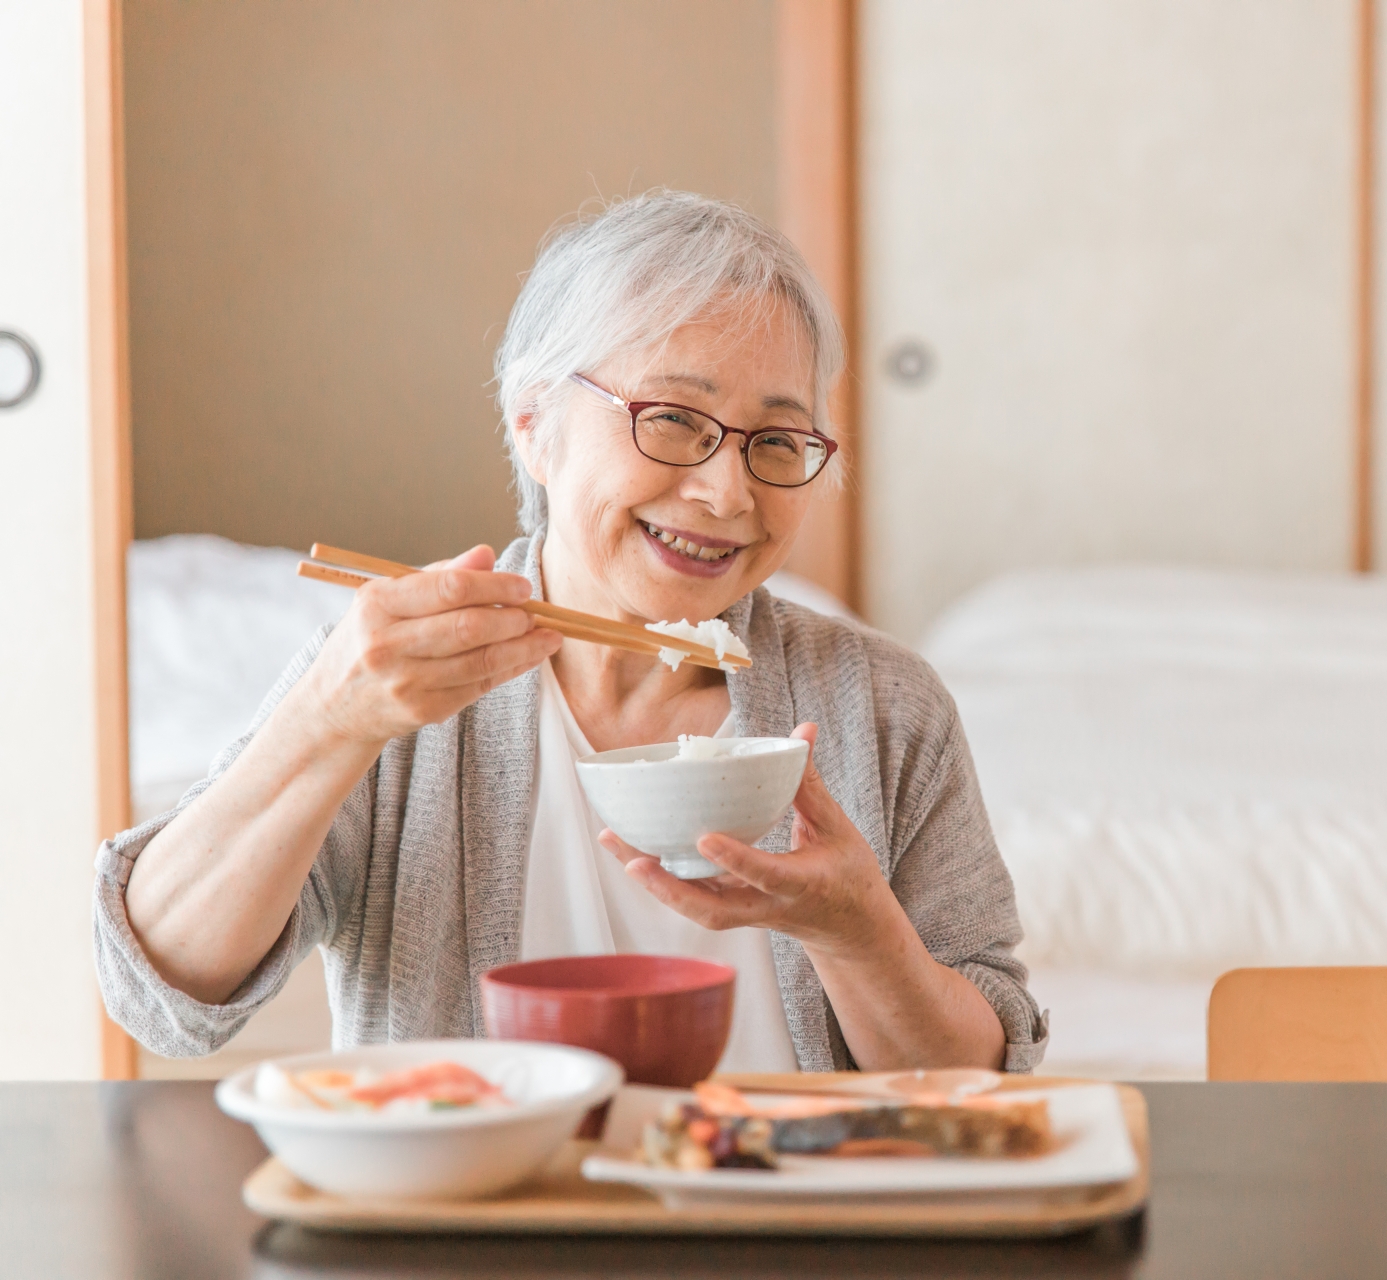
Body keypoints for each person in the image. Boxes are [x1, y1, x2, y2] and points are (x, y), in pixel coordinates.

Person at [94, 191, 1046, 1073]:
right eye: (672, 419)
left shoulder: (880, 705)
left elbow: (985, 1078)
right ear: (534, 425)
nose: (726, 492)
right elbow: (162, 991)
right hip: (471, 1244)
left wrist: (856, 929)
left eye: (776, 442)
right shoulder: (395, 683)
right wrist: (325, 722)